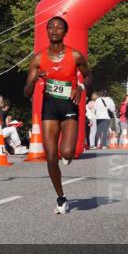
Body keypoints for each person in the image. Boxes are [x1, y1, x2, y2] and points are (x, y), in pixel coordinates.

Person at [24, 16, 92, 214]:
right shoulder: (38, 59)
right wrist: (34, 80)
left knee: (67, 153)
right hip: (49, 108)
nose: (54, 30)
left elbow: (88, 76)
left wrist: (80, 87)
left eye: (59, 27)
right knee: (51, 156)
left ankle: (68, 156)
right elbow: (26, 92)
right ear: (46, 32)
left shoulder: (75, 56)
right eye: (51, 27)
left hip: (70, 105)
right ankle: (61, 197)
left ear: (65, 32)